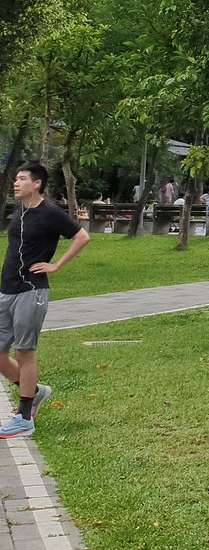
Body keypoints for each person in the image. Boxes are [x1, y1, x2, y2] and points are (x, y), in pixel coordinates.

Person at [0, 162, 90, 438]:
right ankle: (36, 392)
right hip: (7, 290)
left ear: (37, 183)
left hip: (32, 290)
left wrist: (56, 265)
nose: (16, 183)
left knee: (25, 351)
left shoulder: (50, 212)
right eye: (15, 178)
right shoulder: (21, 211)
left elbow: (82, 236)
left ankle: (25, 418)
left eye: (22, 178)